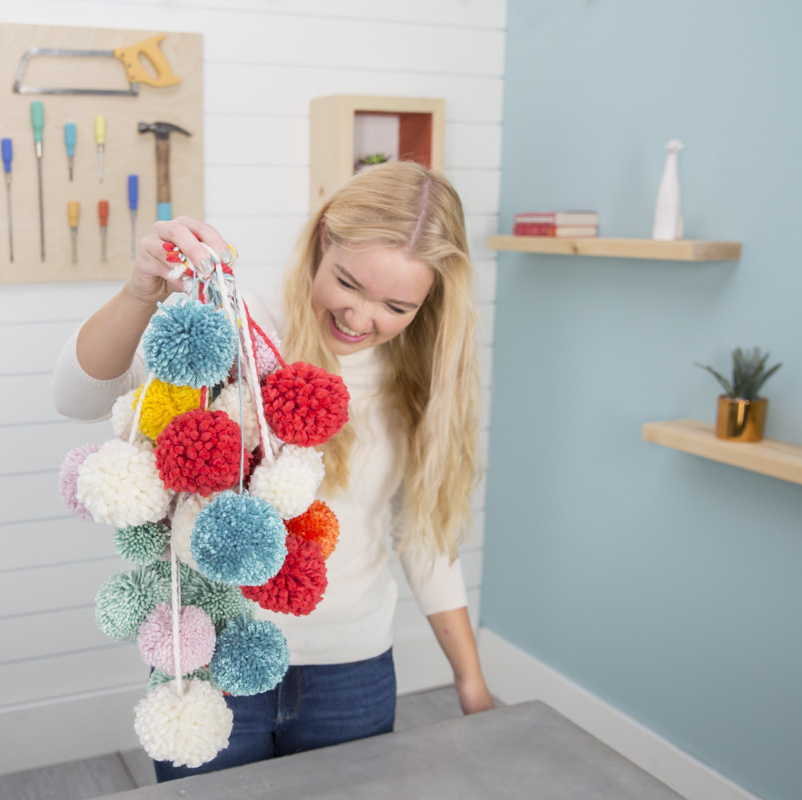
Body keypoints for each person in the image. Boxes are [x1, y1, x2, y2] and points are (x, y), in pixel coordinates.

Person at [52, 161, 494, 781]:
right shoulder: (238, 328)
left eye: (396, 306)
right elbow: (77, 398)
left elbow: (425, 539)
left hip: (353, 674)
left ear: (430, 302)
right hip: (216, 664)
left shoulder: (423, 380)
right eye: (347, 283)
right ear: (322, 241)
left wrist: (470, 681)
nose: (360, 318)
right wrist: (138, 293)